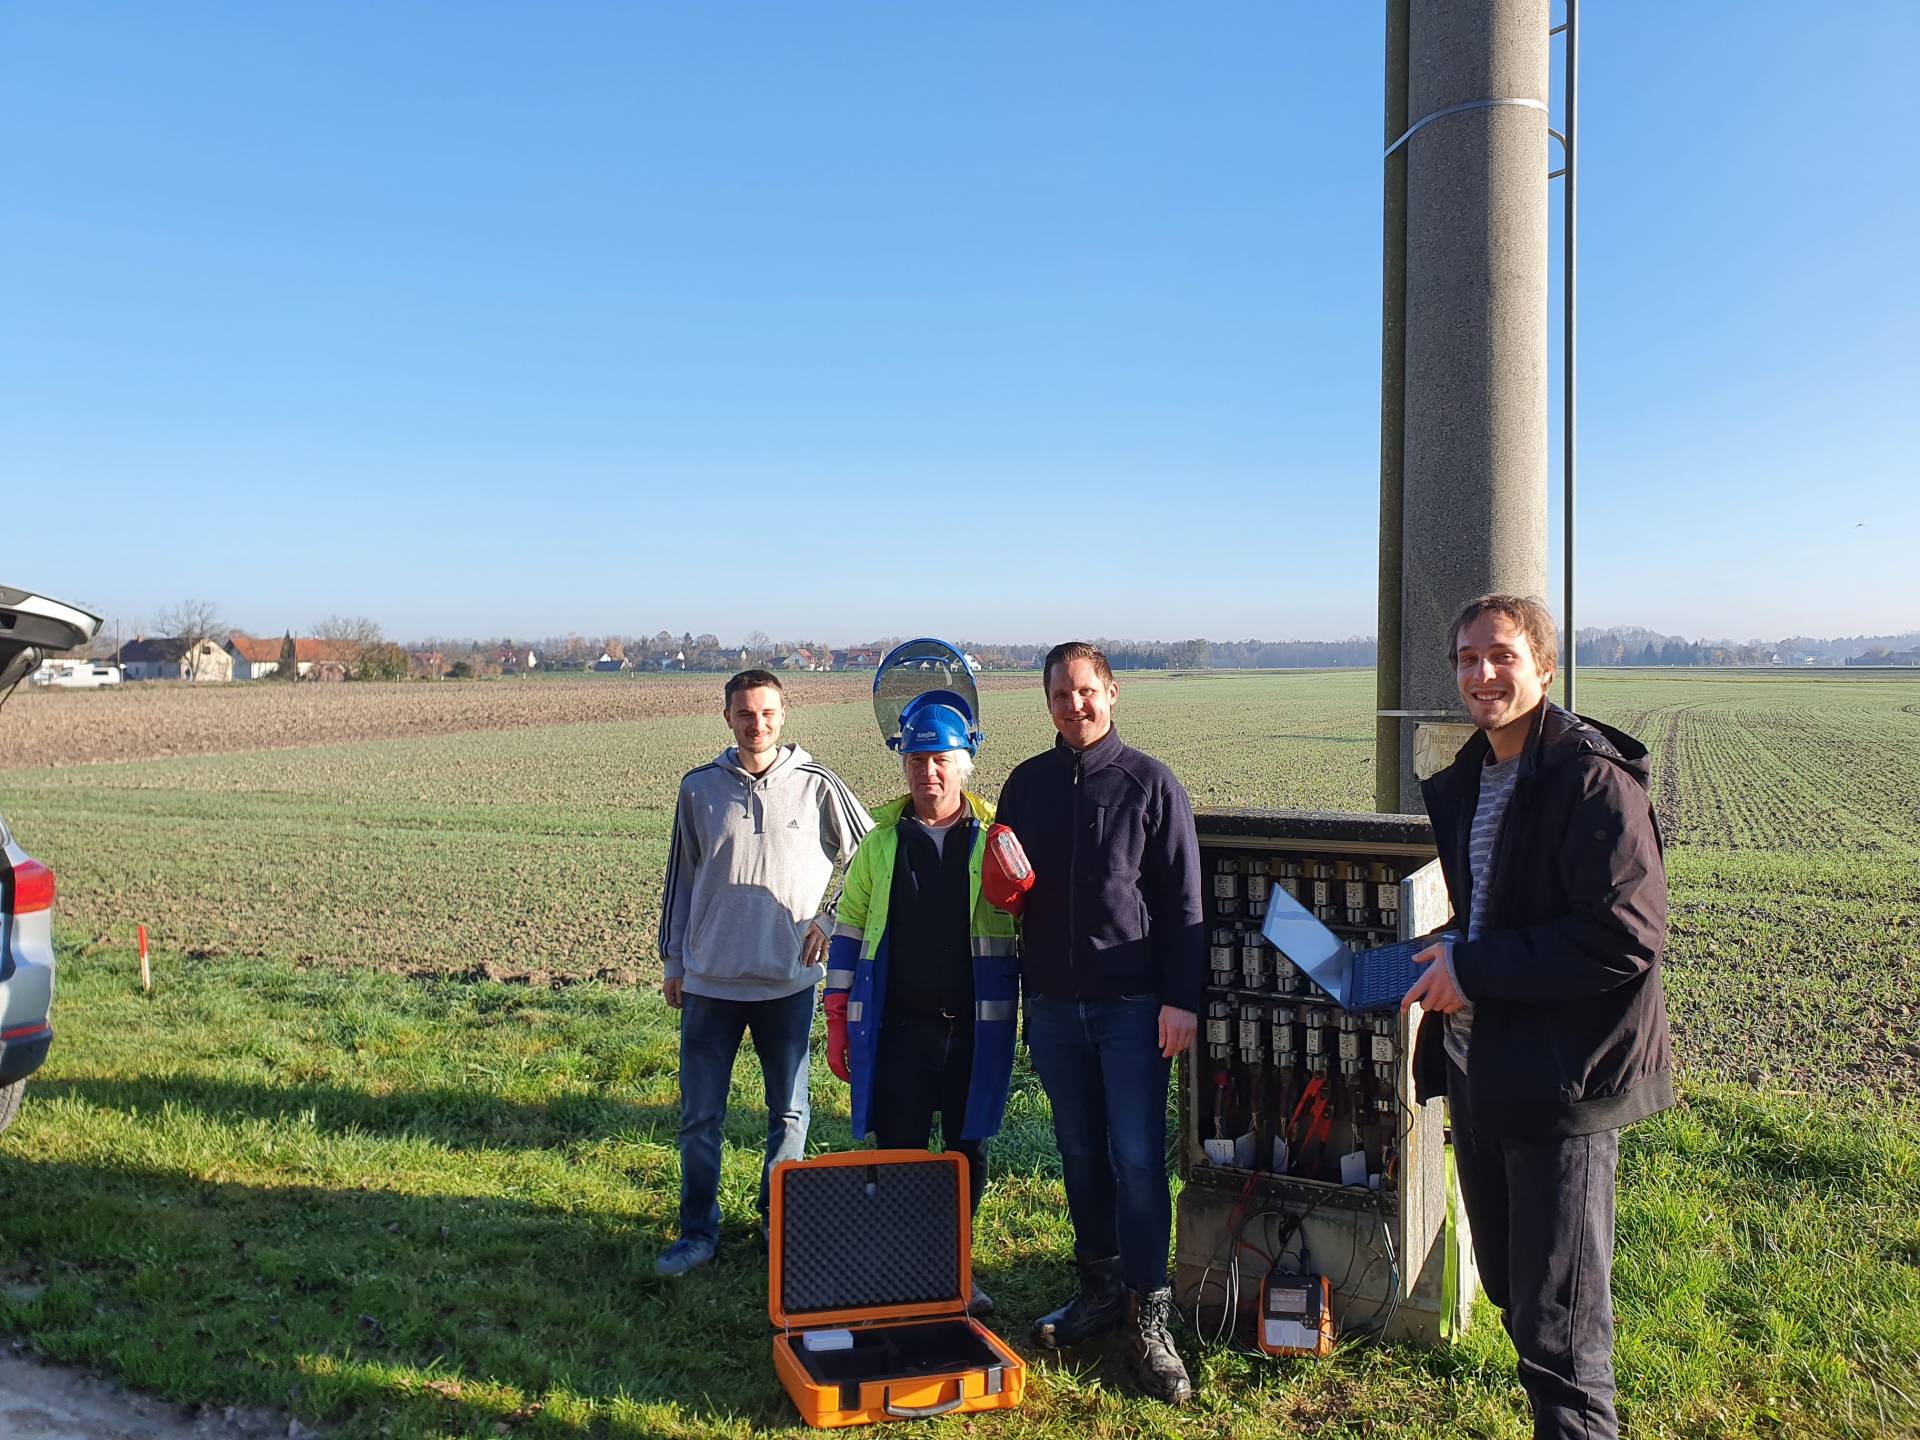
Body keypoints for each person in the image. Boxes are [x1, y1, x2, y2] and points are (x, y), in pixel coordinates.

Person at [1403, 594, 1672, 1440]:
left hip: (1562, 1082)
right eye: (1467, 659)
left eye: (1502, 656)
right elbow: (1504, 910)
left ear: (1544, 667)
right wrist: (1443, 950)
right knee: (1523, 1303)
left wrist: (1471, 967)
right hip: (1484, 1072)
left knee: (1562, 1338)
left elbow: (1625, 936)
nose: (1482, 675)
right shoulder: (1475, 778)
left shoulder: (1590, 778)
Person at [994, 641, 1204, 1405]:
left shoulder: (1151, 784)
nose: (1074, 706)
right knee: (1078, 1154)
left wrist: (1182, 999)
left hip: (1133, 1007)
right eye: (1060, 695)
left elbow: (1185, 904)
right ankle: (1098, 1288)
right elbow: (1008, 893)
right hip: (1052, 1005)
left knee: (1139, 1161)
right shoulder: (1026, 786)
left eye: (1086, 692)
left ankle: (1150, 1315)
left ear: (1111, 694)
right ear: (1046, 702)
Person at [654, 669, 873, 1276]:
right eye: (746, 713)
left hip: (787, 982)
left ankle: (779, 1224)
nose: (758, 724)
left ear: (784, 715)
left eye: (769, 713)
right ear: (727, 716)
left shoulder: (818, 785)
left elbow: (871, 859)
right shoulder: (698, 788)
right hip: (709, 982)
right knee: (700, 1117)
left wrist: (830, 920)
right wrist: (674, 958)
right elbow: (682, 878)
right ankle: (697, 1231)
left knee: (790, 1113)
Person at [821, 690, 1021, 1316]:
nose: (928, 773)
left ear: (965, 763)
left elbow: (1026, 924)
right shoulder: (880, 845)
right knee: (897, 1151)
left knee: (966, 1153)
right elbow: (850, 926)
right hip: (899, 1031)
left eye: (941, 759)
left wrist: (1021, 897)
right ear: (902, 764)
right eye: (916, 760)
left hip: (973, 1032)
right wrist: (836, 1017)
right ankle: (901, 1273)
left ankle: (956, 1271)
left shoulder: (995, 839)